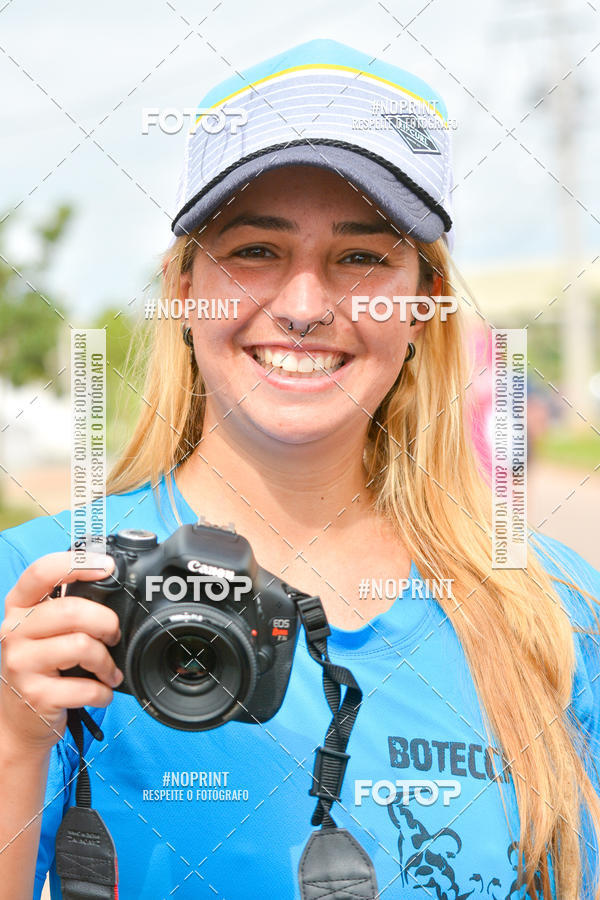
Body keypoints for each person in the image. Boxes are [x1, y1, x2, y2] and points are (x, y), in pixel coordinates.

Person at [0, 38, 599, 900]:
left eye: (361, 258)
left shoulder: (556, 616)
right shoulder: (46, 593)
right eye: (254, 250)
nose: (306, 307)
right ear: (181, 291)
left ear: (424, 306)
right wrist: (14, 741)